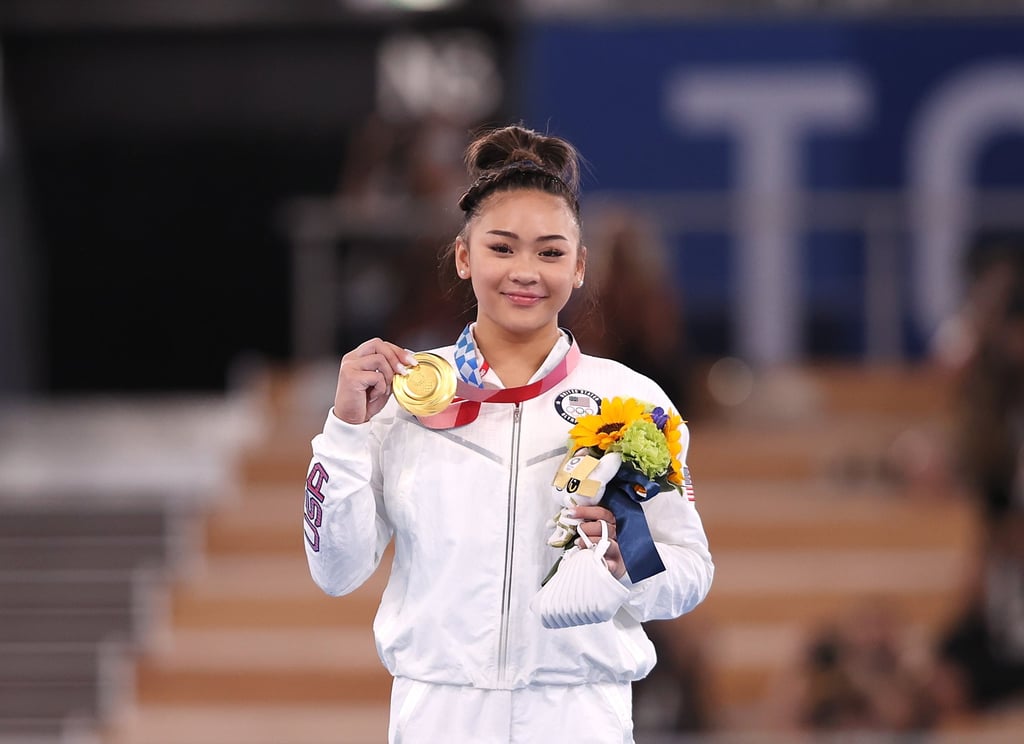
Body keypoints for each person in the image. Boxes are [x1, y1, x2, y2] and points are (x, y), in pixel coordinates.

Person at [303, 123, 714, 743]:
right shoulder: (402, 397)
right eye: (502, 248)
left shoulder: (631, 402)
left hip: (579, 715)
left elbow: (689, 574)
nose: (526, 271)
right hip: (439, 715)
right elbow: (335, 571)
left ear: (578, 268)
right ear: (465, 256)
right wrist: (346, 434)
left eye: (550, 252)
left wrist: (623, 560)